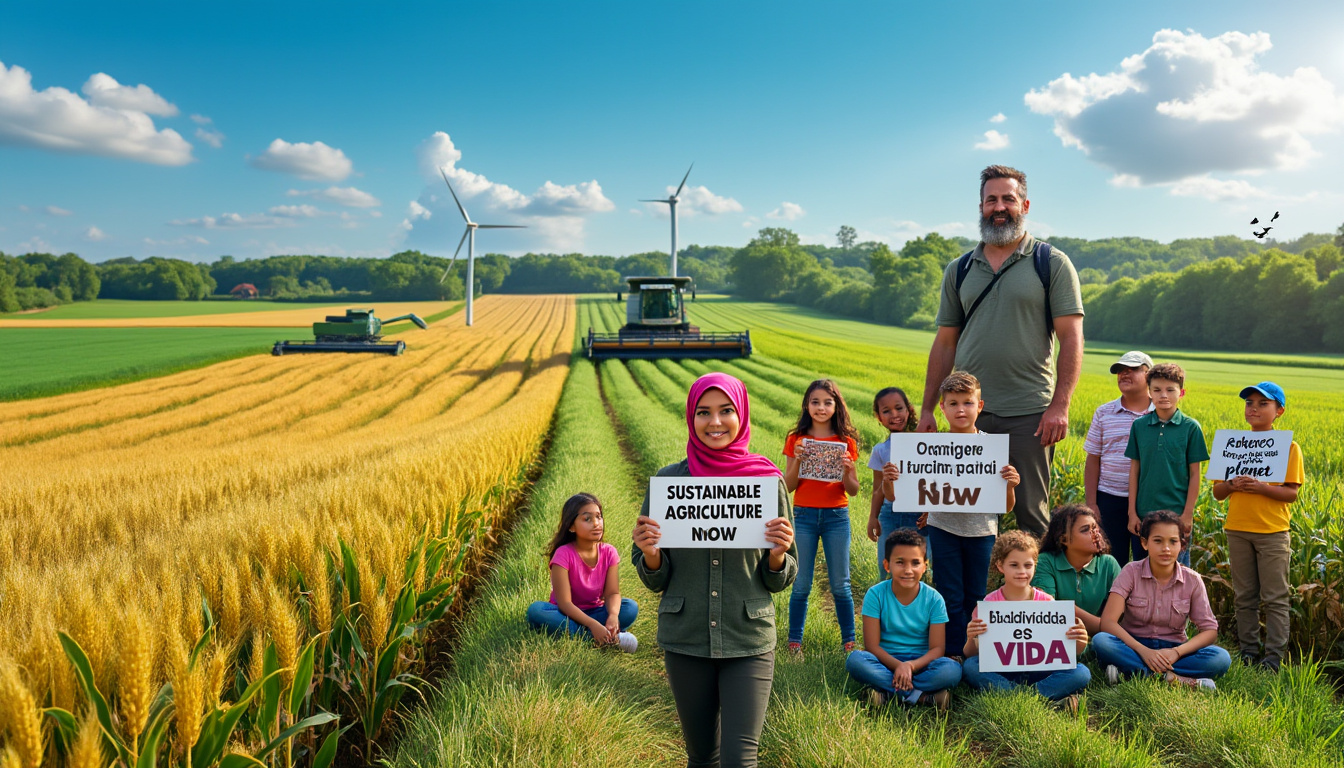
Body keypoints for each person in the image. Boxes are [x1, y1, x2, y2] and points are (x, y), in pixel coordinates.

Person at [632, 372, 797, 768]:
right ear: (691, 418)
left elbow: (785, 573)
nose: (715, 422)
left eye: (726, 411)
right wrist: (650, 552)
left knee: (740, 760)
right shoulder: (669, 483)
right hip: (686, 637)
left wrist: (777, 554)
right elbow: (653, 576)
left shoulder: (767, 481)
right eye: (703, 412)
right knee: (702, 757)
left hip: (748, 637)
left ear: (741, 414)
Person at [919, 164, 1084, 537]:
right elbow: (945, 343)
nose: (999, 206)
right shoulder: (959, 269)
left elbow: (1072, 339)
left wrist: (1060, 405)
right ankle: (976, 595)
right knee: (959, 513)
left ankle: (1033, 595)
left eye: (1008, 199)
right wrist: (928, 408)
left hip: (1029, 412)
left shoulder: (1051, 263)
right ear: (980, 206)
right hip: (967, 412)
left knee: (1030, 514)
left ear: (1024, 204)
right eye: (990, 199)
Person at [905, 371, 1020, 657]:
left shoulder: (993, 449)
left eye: (968, 403)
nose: (960, 409)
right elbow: (920, 490)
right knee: (949, 594)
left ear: (980, 406)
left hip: (982, 532)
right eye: (953, 403)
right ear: (942, 408)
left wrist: (1011, 485)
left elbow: (1006, 507)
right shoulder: (932, 449)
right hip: (943, 529)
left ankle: (979, 652)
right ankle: (952, 653)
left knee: (976, 596)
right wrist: (901, 481)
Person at [1211, 381, 1304, 671]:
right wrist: (1232, 483)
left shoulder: (1289, 447)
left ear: (1279, 411)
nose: (1254, 408)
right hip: (1237, 529)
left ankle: (1274, 658)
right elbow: (1218, 492)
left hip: (1273, 533)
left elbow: (1291, 493)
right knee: (1244, 595)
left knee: (1275, 598)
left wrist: (1262, 487)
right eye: (1249, 403)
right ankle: (1249, 651)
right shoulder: (1232, 445)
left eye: (1263, 404)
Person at [1094, 510, 1232, 690]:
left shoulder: (1192, 580)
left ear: (1181, 545)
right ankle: (1173, 679)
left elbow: (1210, 630)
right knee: (1101, 641)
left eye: (1173, 541)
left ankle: (1131, 674)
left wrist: (1176, 652)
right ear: (1144, 543)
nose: (1166, 548)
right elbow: (1108, 622)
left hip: (1174, 650)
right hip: (1134, 646)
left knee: (1220, 658)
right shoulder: (1130, 572)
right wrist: (1143, 651)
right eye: (1158, 541)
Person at [962, 530, 1091, 712]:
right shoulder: (988, 605)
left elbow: (1068, 654)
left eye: (1028, 565)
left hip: (1041, 672)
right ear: (1000, 566)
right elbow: (970, 654)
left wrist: (1080, 641)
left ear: (1035, 566)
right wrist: (971, 638)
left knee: (1081, 672)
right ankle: (1041, 698)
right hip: (1004, 672)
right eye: (1014, 565)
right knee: (970, 667)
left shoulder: (1047, 602)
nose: (1022, 572)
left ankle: (1018, 697)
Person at [784, 379, 861, 656]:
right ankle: (795, 644)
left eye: (827, 402)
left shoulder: (846, 442)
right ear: (807, 405)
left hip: (837, 517)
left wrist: (847, 471)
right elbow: (788, 486)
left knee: (841, 584)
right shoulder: (796, 439)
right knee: (801, 583)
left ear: (836, 406)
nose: (821, 407)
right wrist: (796, 459)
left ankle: (849, 643)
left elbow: (852, 491)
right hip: (803, 515)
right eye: (815, 402)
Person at [846, 528, 962, 710]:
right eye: (900, 562)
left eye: (915, 563)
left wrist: (910, 666)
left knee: (952, 670)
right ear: (887, 565)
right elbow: (872, 646)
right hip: (885, 662)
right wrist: (899, 666)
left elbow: (938, 648)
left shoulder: (934, 599)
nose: (908, 570)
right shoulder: (875, 595)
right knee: (855, 661)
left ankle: (886, 694)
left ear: (925, 566)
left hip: (921, 665)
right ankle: (922, 697)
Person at [526, 492, 639, 652]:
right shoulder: (563, 554)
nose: (596, 523)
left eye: (599, 517)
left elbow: (612, 593)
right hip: (566, 614)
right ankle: (600, 638)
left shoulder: (609, 552)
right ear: (571, 526)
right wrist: (593, 625)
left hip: (596, 612)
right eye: (587, 519)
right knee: (536, 611)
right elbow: (564, 603)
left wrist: (613, 616)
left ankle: (591, 635)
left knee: (630, 607)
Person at [1125, 363, 1209, 567]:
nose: (1163, 395)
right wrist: (1132, 513)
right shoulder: (1139, 426)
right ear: (1149, 392)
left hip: (1177, 516)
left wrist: (1187, 515)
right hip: (1144, 515)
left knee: (1176, 574)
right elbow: (1135, 471)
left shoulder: (1191, 428)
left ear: (1181, 392)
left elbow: (1195, 475)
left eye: (1170, 390)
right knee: (1143, 572)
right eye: (1157, 390)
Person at [1083, 351, 1154, 566]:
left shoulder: (1160, 414)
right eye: (1120, 371)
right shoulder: (1104, 412)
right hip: (1109, 499)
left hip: (1147, 500)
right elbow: (1093, 460)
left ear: (1148, 374)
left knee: (1147, 563)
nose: (1124, 374)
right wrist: (1092, 504)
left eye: (1132, 369)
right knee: (1111, 561)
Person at [1032, 504, 1121, 636]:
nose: (1095, 534)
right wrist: (1105, 626)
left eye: (1095, 528)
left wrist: (1065, 608)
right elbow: (1047, 612)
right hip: (1057, 636)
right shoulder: (1046, 561)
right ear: (1064, 539)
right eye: (1085, 530)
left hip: (1100, 639)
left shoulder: (1108, 564)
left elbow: (1124, 616)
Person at [866, 386, 922, 578]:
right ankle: (887, 608)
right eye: (886, 411)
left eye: (899, 408)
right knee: (887, 569)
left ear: (909, 410)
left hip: (920, 517)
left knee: (920, 571)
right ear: (878, 417)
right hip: (890, 514)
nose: (894, 415)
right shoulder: (881, 450)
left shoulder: (926, 443)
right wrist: (873, 517)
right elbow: (877, 490)